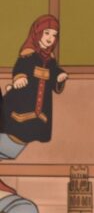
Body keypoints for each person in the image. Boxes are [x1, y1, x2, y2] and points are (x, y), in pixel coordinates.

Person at [0, 14, 67, 160]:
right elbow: (20, 68)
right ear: (37, 33)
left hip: (39, 109)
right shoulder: (28, 55)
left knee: (28, 134)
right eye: (47, 33)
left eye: (54, 35)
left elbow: (54, 73)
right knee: (14, 135)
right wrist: (20, 77)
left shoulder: (50, 60)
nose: (50, 38)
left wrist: (59, 76)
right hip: (22, 104)